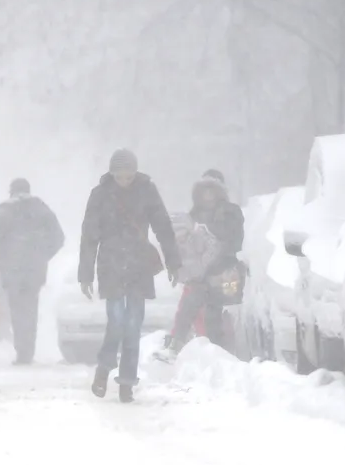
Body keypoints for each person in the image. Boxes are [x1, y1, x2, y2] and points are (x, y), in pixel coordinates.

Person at [78, 148, 180, 403]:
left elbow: (163, 227)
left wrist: (174, 262)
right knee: (116, 321)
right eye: (120, 176)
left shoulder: (147, 191)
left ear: (135, 173)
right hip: (111, 265)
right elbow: (89, 236)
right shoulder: (100, 195)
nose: (124, 180)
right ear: (112, 174)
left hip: (138, 266)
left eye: (129, 176)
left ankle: (126, 382)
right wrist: (85, 274)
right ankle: (104, 369)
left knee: (133, 325)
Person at [154, 171, 245, 361]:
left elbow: (233, 240)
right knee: (189, 306)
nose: (208, 196)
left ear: (221, 192)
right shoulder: (193, 215)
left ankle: (219, 354)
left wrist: (207, 234)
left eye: (212, 190)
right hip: (200, 276)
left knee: (216, 313)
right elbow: (186, 248)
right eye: (205, 191)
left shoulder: (231, 212)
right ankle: (179, 346)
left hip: (226, 275)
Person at [0, 178, 65, 364]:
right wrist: (43, 254)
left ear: (11, 191)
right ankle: (28, 350)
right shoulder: (40, 208)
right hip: (35, 269)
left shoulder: (3, 211)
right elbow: (59, 237)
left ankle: (22, 352)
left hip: (11, 269)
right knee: (31, 307)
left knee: (16, 308)